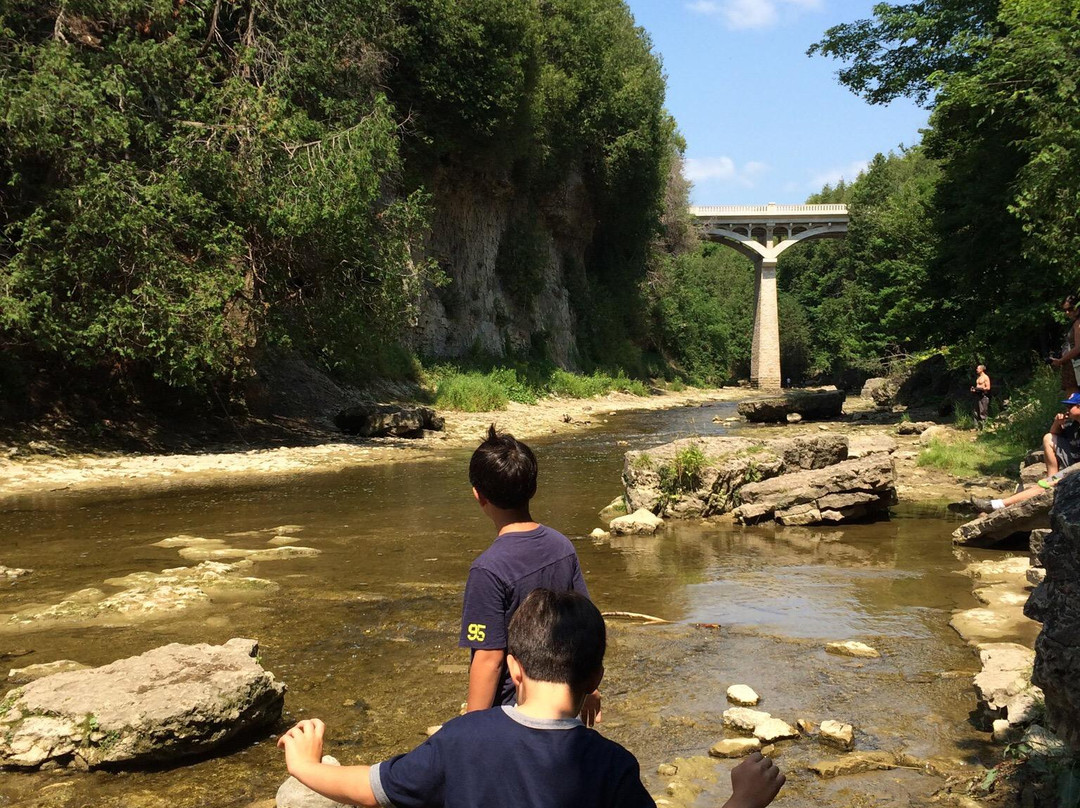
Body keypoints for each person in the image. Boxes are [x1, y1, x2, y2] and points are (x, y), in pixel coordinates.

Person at [278, 590, 787, 808]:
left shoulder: (462, 739)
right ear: (596, 680)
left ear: (514, 668)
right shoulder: (610, 766)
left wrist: (305, 766)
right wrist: (742, 800)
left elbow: (372, 789)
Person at [460, 425, 598, 723]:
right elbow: (585, 625)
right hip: (562, 705)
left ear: (478, 495)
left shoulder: (488, 570)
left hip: (513, 715)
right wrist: (589, 690)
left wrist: (469, 731)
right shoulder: (562, 546)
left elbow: (489, 660)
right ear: (533, 488)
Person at [971, 391, 1080, 512]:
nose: (1067, 409)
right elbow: (1053, 434)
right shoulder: (1073, 423)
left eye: (1070, 406)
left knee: (1043, 485)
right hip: (1074, 461)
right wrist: (1057, 423)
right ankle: (1052, 478)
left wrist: (1058, 481)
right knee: (1048, 438)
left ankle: (996, 505)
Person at [1051, 294, 1080, 395]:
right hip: (1073, 365)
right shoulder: (1075, 323)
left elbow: (1078, 348)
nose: (1067, 312)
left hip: (1076, 366)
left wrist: (1061, 360)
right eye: (1065, 310)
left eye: (1070, 309)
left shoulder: (1078, 323)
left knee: (1073, 403)